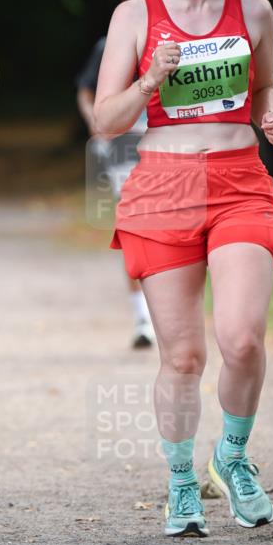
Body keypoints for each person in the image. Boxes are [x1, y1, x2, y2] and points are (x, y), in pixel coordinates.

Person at [94, 0, 273, 538]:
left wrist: (269, 113)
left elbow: (261, 88)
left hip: (238, 182)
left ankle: (230, 457)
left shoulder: (253, 10)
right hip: (162, 186)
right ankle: (180, 483)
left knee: (243, 339)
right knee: (181, 357)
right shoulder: (134, 17)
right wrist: (149, 80)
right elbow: (103, 120)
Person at [77, 34, 155, 348]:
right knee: (135, 228)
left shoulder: (186, 35)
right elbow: (86, 90)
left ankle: (163, 311)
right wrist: (96, 122)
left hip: (171, 146)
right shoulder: (109, 44)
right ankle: (142, 317)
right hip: (123, 146)